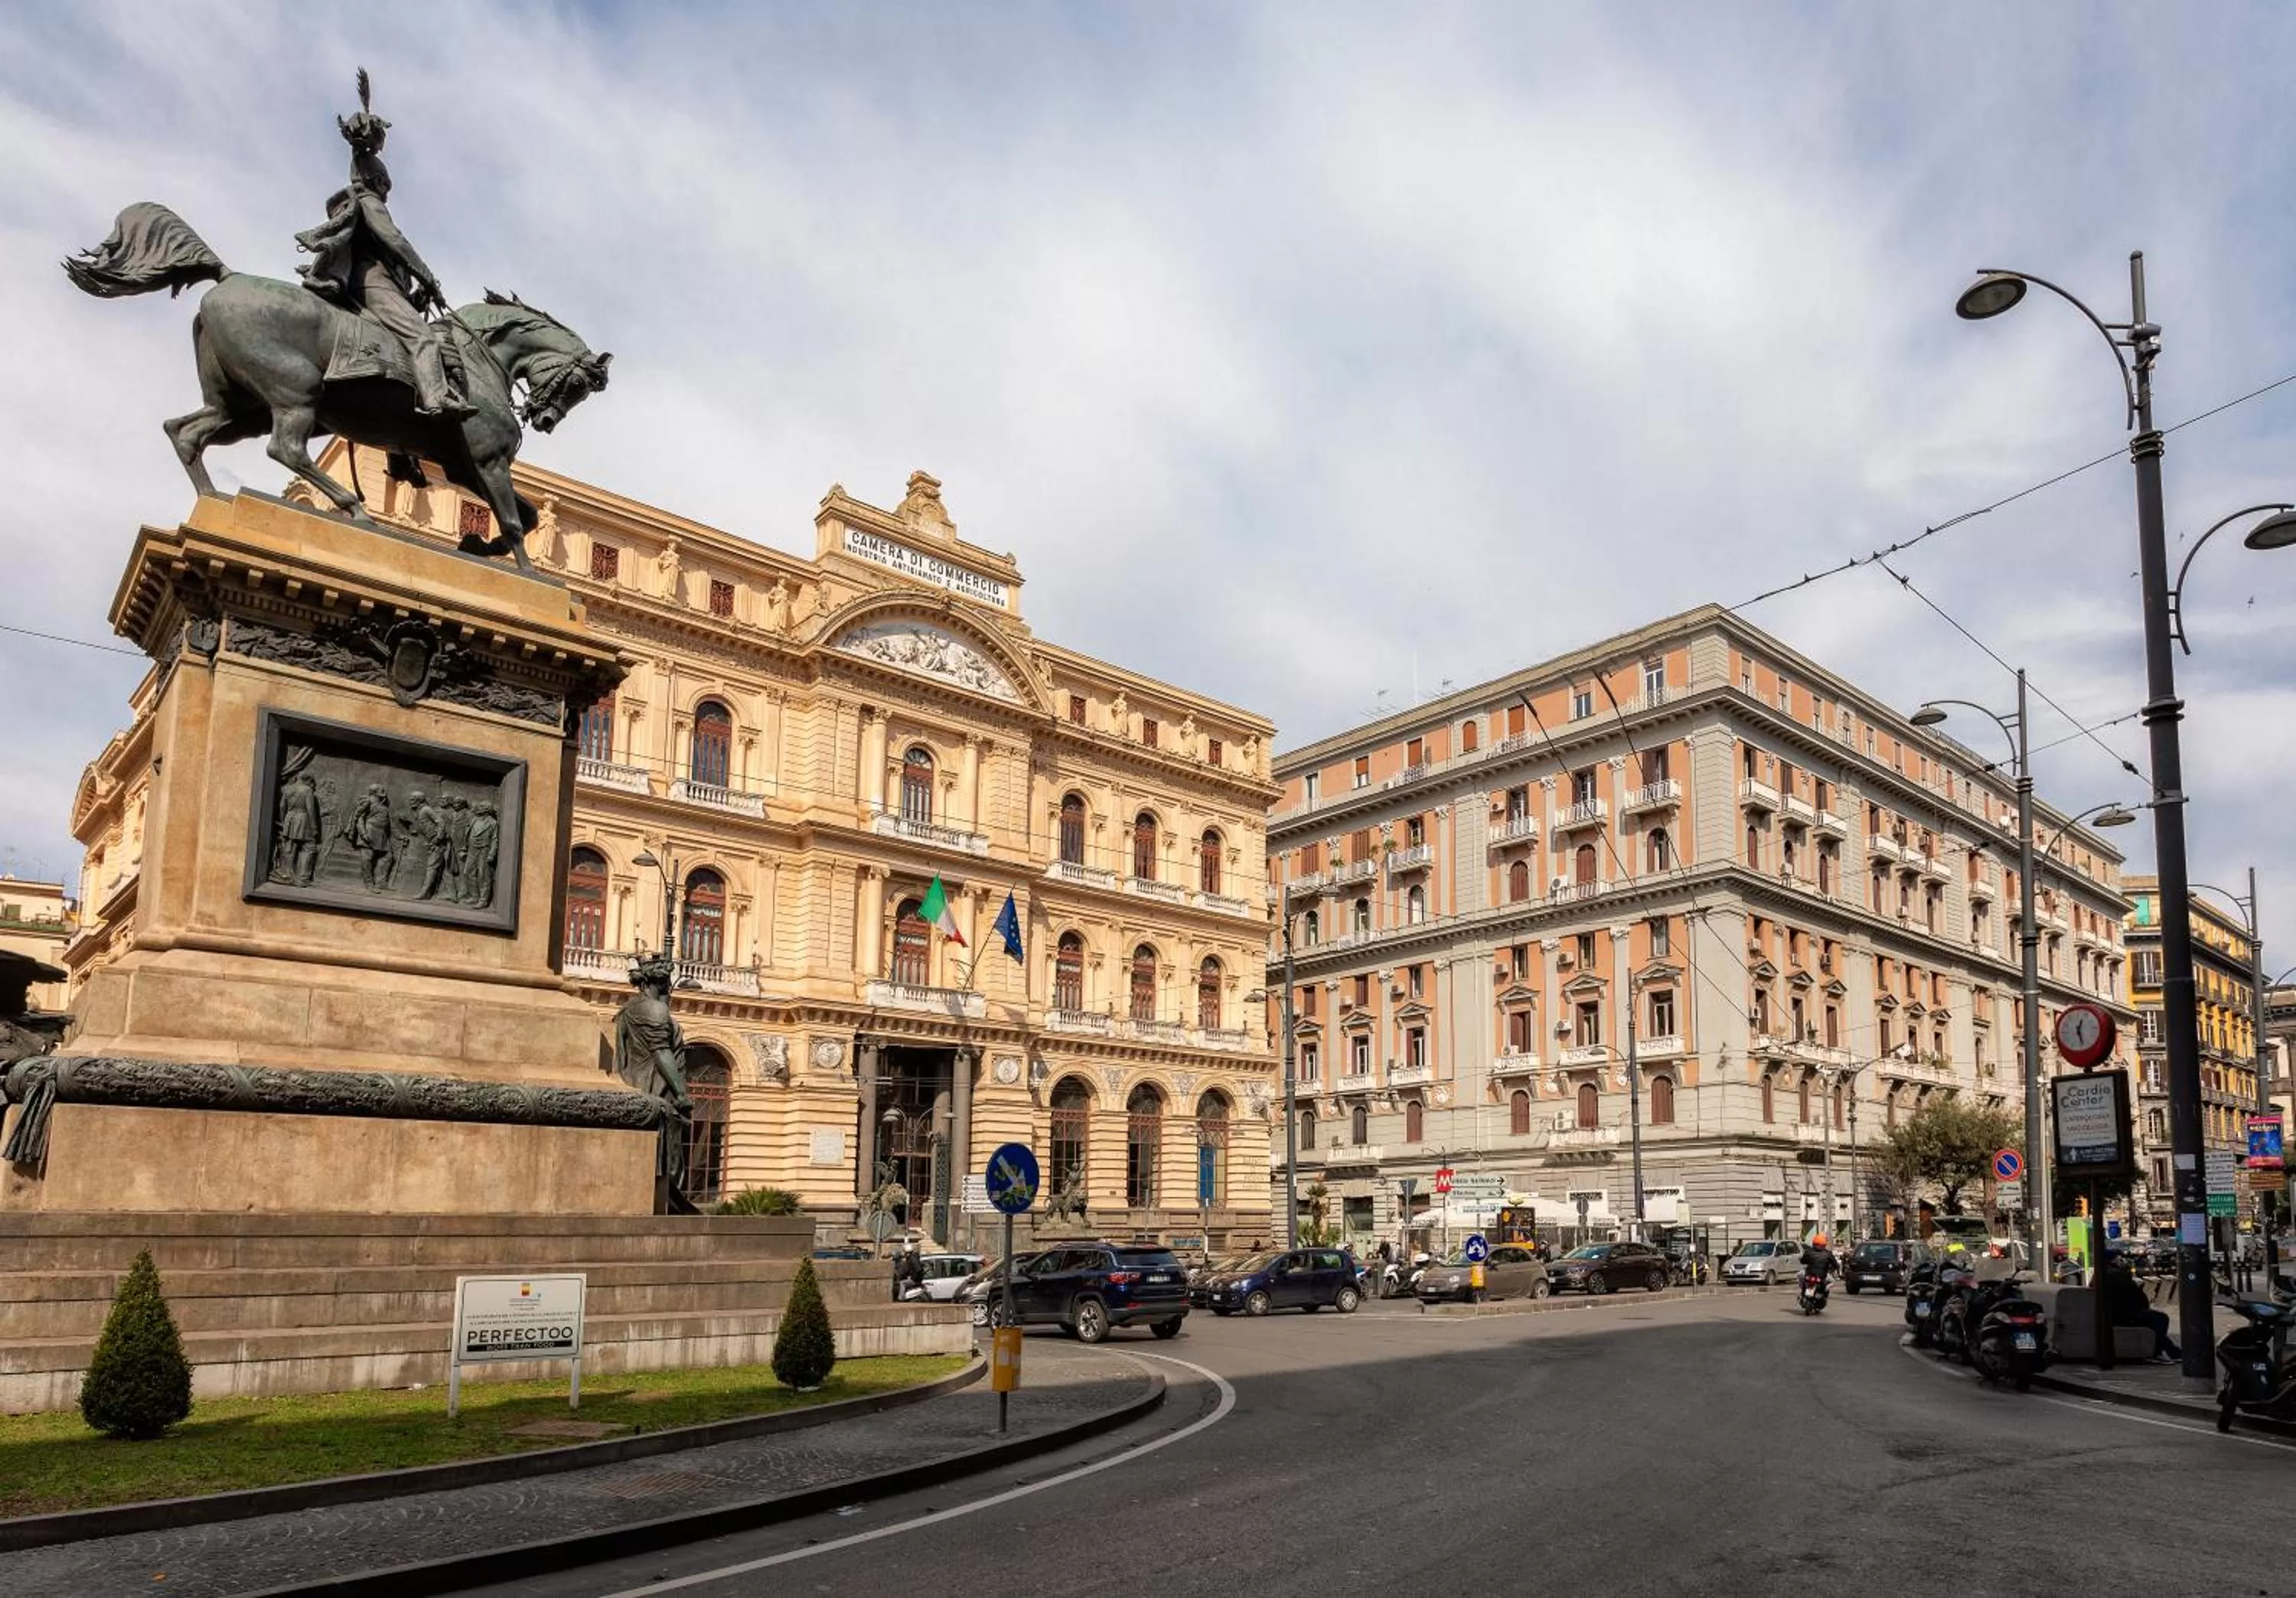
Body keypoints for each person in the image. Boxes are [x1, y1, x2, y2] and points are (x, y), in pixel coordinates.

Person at [294, 71, 471, 419]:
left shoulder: (365, 196)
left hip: (376, 283)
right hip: (372, 282)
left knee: (408, 338)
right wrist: (427, 275)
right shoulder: (370, 201)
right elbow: (395, 242)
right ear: (376, 180)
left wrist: (418, 295)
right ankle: (436, 399)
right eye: (386, 184)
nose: (388, 191)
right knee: (424, 338)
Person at [2105, 1247, 2180, 1363]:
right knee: (2160, 1319)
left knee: (2154, 1321)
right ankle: (2156, 1352)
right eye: (2119, 1258)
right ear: (2113, 1260)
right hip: (2122, 1316)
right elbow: (2138, 1297)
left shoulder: (2102, 1274)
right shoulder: (2119, 1275)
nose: (2122, 1261)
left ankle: (2174, 1352)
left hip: (2111, 1313)